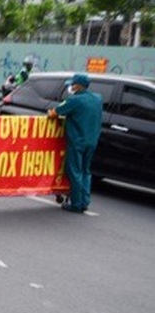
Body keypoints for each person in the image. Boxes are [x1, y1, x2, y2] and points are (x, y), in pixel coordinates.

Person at [47, 73, 102, 213]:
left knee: (75, 171)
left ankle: (76, 204)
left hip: (77, 142)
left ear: (78, 86)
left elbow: (54, 114)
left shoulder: (74, 100)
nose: (70, 87)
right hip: (92, 141)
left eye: (72, 84)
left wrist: (51, 112)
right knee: (86, 171)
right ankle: (85, 202)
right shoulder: (97, 98)